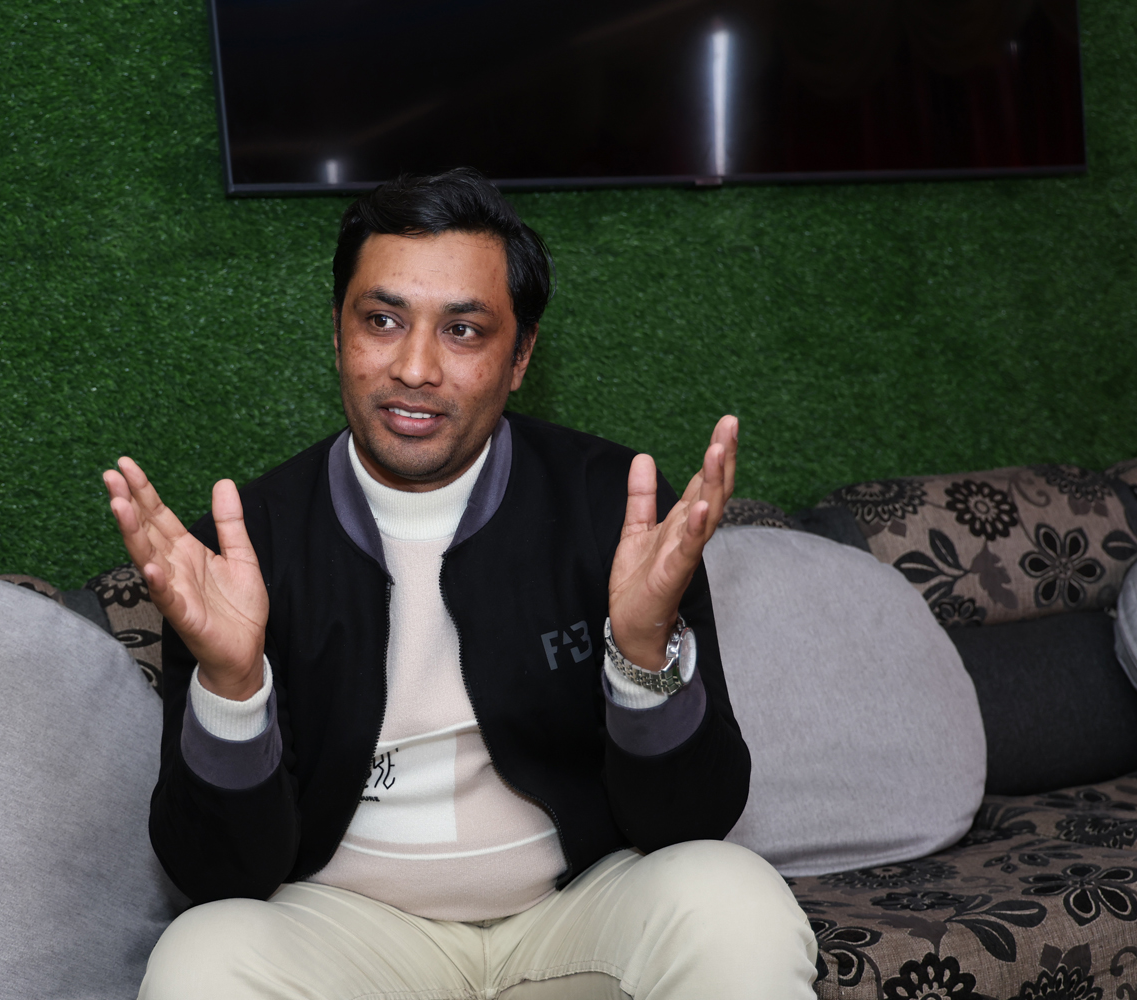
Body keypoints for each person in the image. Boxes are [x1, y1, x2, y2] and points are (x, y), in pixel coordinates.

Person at [104, 168, 817, 999]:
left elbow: (690, 822)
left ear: (521, 357)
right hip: (347, 937)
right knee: (200, 957)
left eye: (464, 331)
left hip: (573, 915)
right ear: (336, 334)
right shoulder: (239, 549)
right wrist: (233, 684)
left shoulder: (617, 510)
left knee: (734, 899)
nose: (415, 367)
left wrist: (641, 652)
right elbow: (218, 873)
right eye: (381, 321)